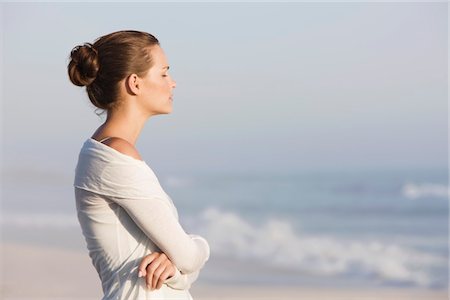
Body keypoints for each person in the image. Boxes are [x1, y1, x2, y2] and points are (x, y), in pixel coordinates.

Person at [68, 30, 210, 300]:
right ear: (135, 83)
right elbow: (189, 256)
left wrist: (177, 272)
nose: (173, 83)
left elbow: (180, 264)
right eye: (164, 73)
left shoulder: (102, 151)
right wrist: (203, 247)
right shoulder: (115, 156)